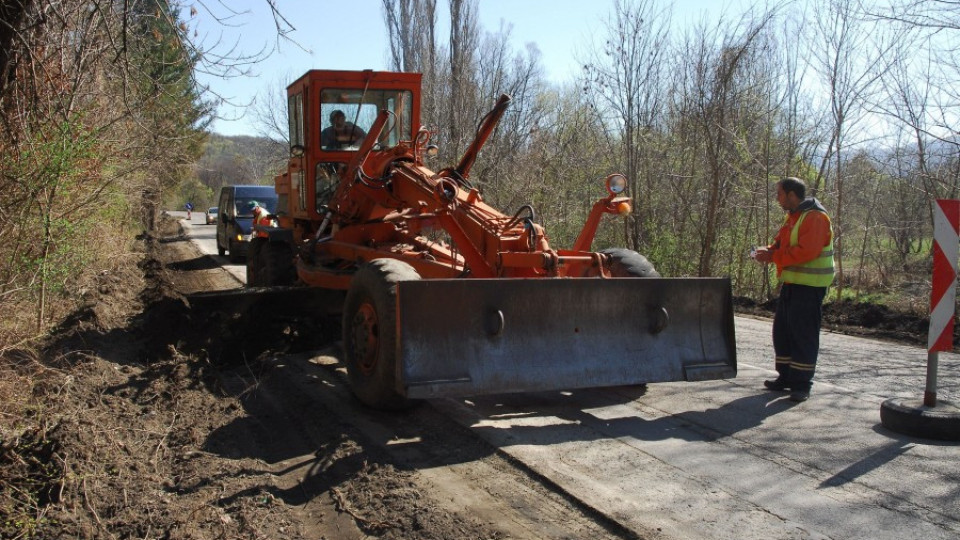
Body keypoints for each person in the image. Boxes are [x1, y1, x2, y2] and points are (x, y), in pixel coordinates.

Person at [752, 177, 835, 402]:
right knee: (783, 333)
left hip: (809, 287)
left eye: (779, 194)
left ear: (791, 195)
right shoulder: (794, 217)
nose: (777, 199)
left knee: (803, 335)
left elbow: (806, 252)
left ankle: (802, 384)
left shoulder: (815, 217)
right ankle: (786, 377)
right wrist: (767, 251)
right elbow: (781, 245)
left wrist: (774, 256)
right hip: (792, 284)